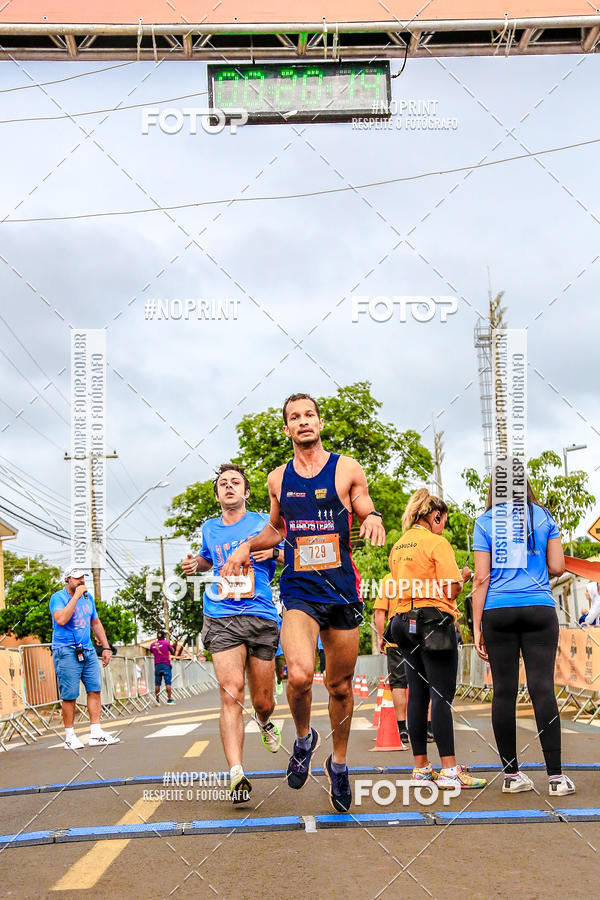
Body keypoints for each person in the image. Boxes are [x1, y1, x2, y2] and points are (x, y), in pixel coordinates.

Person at [223, 392, 385, 812]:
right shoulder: (278, 479)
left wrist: (372, 518)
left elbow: (364, 505)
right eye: (294, 417)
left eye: (309, 415)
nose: (303, 422)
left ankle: (341, 765)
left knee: (340, 686)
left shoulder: (347, 468)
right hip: (299, 590)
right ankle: (302, 739)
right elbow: (276, 530)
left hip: (342, 590)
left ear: (320, 422)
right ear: (287, 428)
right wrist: (245, 547)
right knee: (298, 676)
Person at [472, 461, 575, 797]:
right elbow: (558, 565)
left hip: (498, 610)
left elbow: (480, 579)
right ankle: (556, 778)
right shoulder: (542, 516)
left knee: (503, 691)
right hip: (538, 607)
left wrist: (476, 628)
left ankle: (512, 775)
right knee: (542, 688)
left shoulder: (484, 522)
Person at [182, 463, 283, 804]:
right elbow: (210, 559)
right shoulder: (209, 528)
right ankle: (236, 772)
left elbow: (287, 553)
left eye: (235, 482)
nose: (228, 487)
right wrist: (197, 564)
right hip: (221, 614)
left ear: (246, 492)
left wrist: (273, 551)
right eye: (223, 484)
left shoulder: (261, 522)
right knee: (231, 693)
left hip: (259, 613)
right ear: (217, 494)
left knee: (262, 700)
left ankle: (266, 722)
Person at [389, 489, 486, 791]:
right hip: (433, 621)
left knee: (417, 693)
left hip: (403, 621)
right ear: (435, 516)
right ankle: (449, 770)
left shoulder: (399, 545)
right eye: (442, 520)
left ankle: (420, 768)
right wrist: (465, 575)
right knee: (441, 696)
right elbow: (451, 588)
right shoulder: (436, 542)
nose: (442, 525)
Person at [49, 566, 120, 749]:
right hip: (65, 650)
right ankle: (70, 735)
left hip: (86, 649)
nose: (81, 581)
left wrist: (105, 647)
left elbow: (95, 622)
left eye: (83, 578)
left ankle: (95, 732)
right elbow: (61, 619)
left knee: (94, 689)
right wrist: (76, 597)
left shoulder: (89, 599)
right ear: (67, 580)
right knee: (70, 694)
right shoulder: (58, 598)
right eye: (77, 578)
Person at [374, 575, 409, 745]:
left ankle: (402, 729)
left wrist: (382, 637)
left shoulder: (388, 580)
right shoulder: (423, 571)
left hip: (396, 635)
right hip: (422, 634)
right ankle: (429, 728)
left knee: (398, 683)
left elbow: (380, 611)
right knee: (426, 681)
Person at [149, 631, 176, 703]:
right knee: (168, 683)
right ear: (164, 636)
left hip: (157, 665)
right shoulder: (166, 643)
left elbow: (151, 651)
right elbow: (172, 650)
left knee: (157, 684)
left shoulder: (152, 645)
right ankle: (169, 699)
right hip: (166, 665)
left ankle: (157, 699)